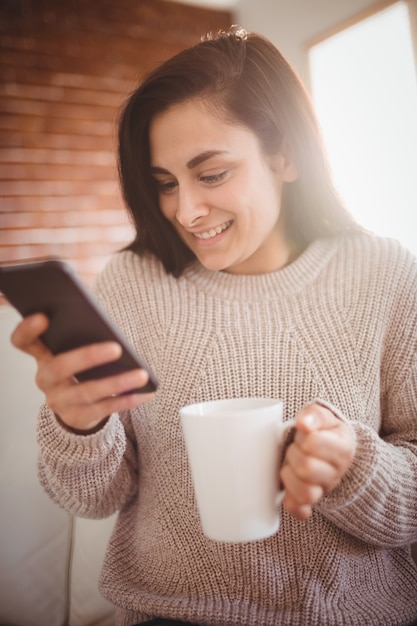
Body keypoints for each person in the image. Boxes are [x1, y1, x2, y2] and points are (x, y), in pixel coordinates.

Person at [10, 26, 417, 626]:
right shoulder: (130, 282)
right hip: (167, 614)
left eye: (212, 173)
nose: (185, 211)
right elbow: (90, 499)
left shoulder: (384, 271)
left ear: (285, 155)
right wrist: (79, 422)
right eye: (165, 184)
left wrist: (352, 464)